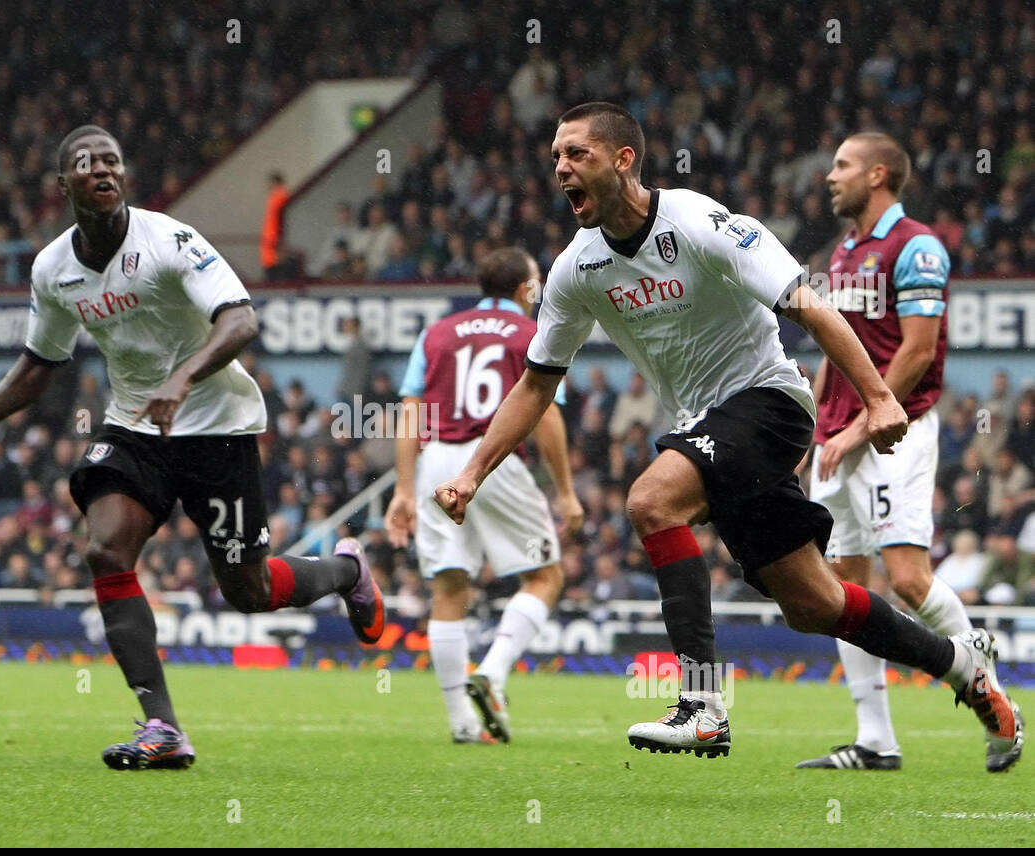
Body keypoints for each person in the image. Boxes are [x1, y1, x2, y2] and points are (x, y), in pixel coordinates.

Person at [432, 102, 1021, 765]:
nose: (562, 169)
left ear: (624, 160)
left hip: (770, 402)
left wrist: (879, 397)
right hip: (707, 428)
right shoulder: (577, 268)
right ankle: (964, 672)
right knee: (815, 603)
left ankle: (703, 705)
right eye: (556, 159)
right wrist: (473, 470)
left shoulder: (702, 225)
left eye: (577, 154)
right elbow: (537, 383)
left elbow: (808, 305)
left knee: (652, 501)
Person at [0, 126, 383, 771]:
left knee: (248, 589)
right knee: (104, 547)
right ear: (63, 185)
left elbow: (241, 317)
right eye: (85, 163)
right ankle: (161, 725)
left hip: (218, 425)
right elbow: (38, 363)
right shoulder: (54, 269)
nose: (102, 170)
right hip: (135, 426)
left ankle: (347, 572)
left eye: (111, 160)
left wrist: (184, 377)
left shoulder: (170, 241)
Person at [799, 132, 1021, 773]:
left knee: (907, 579)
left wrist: (859, 426)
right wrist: (815, 425)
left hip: (894, 432)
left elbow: (918, 351)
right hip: (837, 437)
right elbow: (836, 348)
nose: (830, 175)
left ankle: (993, 696)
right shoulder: (842, 252)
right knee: (843, 592)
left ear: (878, 175)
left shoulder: (916, 245)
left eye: (841, 165)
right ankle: (876, 741)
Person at [384, 247, 582, 744]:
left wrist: (404, 489)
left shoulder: (438, 333)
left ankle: (463, 725)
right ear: (523, 289)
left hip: (437, 460)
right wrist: (565, 493)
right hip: (492, 459)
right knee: (545, 576)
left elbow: (411, 411)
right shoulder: (531, 333)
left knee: (448, 589)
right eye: (535, 282)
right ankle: (492, 673)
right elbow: (547, 414)